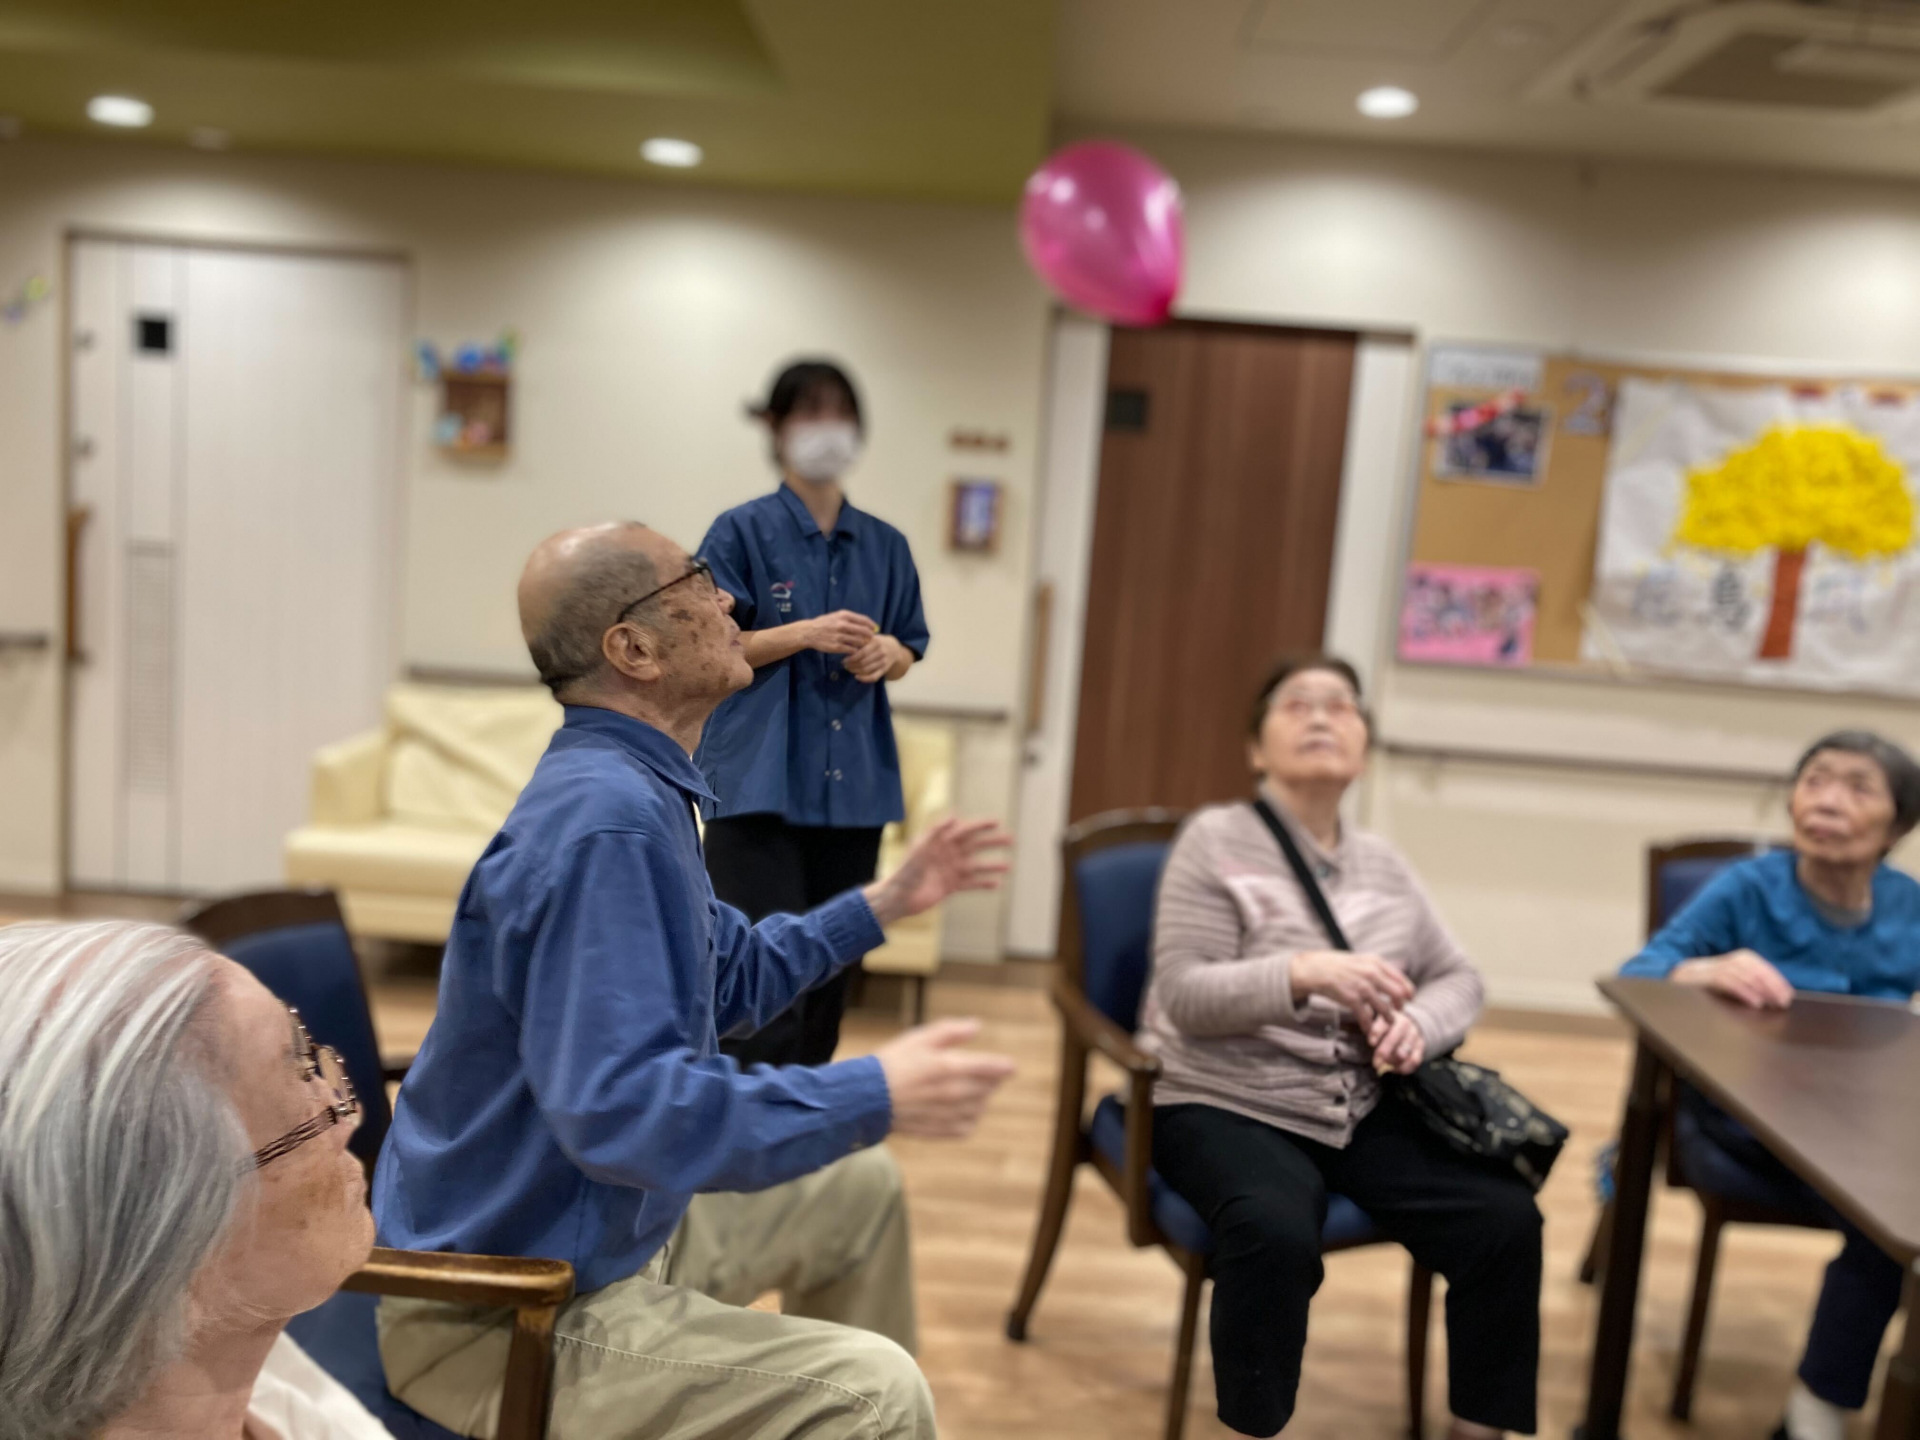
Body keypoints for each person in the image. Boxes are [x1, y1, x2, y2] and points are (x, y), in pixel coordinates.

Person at [372, 521, 1014, 1440]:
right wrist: (870, 1089)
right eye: (700, 583)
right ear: (632, 649)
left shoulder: (638, 789)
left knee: (860, 1191)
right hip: (506, 1313)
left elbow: (729, 975)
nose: (730, 600)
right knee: (876, 1395)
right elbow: (625, 1114)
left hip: (604, 1241)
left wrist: (884, 903)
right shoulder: (607, 824)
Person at [1138, 655, 1541, 1440]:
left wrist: (1417, 1025)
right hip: (1225, 1097)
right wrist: (1303, 972)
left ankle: (1477, 1430)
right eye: (1297, 704)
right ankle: (1253, 1429)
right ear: (1255, 748)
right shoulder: (1215, 840)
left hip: (1356, 1103)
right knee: (1274, 1232)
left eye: (1342, 705)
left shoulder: (1383, 863)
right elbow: (1184, 994)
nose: (1322, 716)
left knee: (1504, 1221)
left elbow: (1460, 978)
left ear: (1363, 746)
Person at [1620, 729, 1920, 1440]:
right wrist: (1701, 970)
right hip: (1751, 1126)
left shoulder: (1908, 903)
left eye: (1856, 788)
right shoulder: (1749, 887)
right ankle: (1817, 1413)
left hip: (1867, 1123)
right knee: (1893, 1225)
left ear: (1898, 826)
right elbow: (1639, 975)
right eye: (1815, 781)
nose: (1827, 801)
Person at [0, 918, 390, 1440]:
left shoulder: (258, 1374)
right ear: (162, 1242)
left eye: (307, 1054)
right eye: (298, 1076)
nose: (347, 1116)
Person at [695, 358, 930, 1067]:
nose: (828, 427)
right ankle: (739, 1129)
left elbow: (910, 645)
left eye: (840, 412)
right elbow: (708, 648)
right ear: (776, 426)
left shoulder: (886, 545)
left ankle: (805, 1124)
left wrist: (889, 652)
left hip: (854, 793)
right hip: (757, 792)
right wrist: (804, 632)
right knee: (755, 987)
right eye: (809, 411)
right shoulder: (738, 531)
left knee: (831, 984)